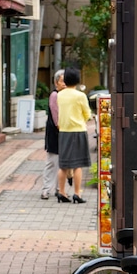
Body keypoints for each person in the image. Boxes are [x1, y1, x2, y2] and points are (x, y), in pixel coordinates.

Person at [56, 67, 92, 204]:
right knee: (78, 165)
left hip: (64, 131)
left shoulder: (60, 95)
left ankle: (62, 192)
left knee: (63, 165)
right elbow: (87, 114)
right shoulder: (80, 96)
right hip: (78, 131)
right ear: (77, 80)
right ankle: (77, 193)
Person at [42, 69, 64, 200]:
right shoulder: (55, 95)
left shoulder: (66, 95)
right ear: (56, 83)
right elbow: (56, 117)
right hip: (55, 132)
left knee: (62, 163)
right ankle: (46, 189)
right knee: (52, 162)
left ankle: (59, 189)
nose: (64, 83)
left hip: (63, 132)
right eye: (62, 81)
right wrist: (61, 129)